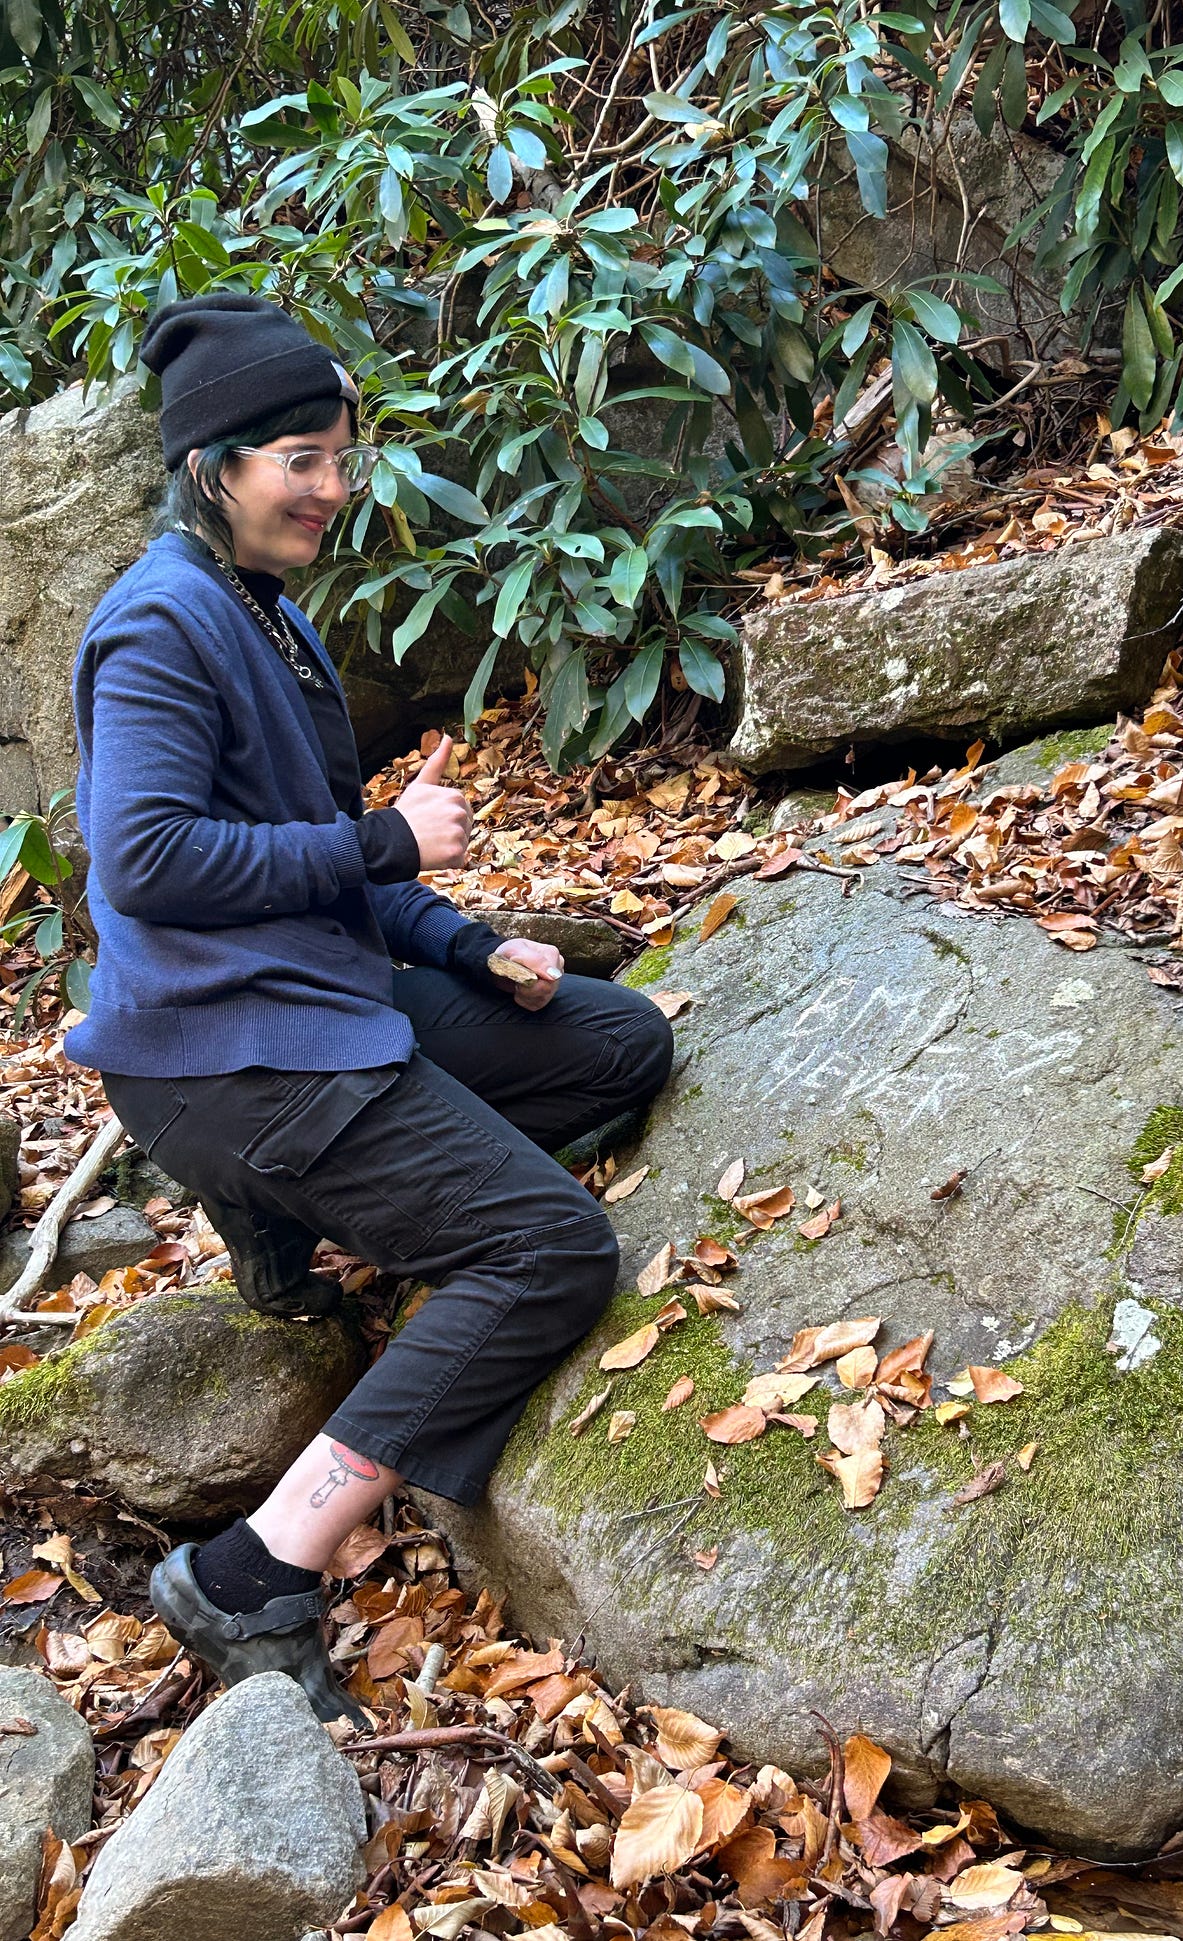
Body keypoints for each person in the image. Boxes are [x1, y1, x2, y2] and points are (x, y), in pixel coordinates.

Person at [66, 293, 674, 1725]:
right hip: (235, 1059)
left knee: (617, 1039)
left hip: (318, 1005)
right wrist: (391, 840)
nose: (333, 488)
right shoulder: (159, 628)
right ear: (214, 464)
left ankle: (300, 1224)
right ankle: (255, 1564)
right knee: (546, 1246)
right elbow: (145, 862)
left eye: (341, 455)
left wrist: (469, 946)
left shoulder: (263, 617)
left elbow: (325, 875)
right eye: (301, 458)